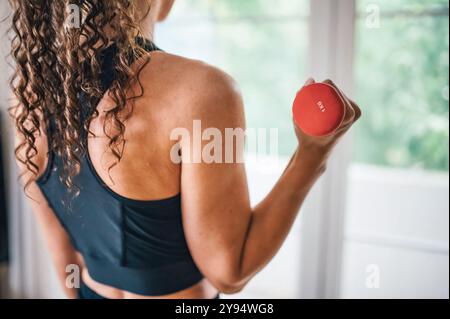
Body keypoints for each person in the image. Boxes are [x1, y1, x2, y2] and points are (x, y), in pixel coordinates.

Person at [9, 0, 361, 299]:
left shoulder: (30, 96)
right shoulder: (201, 91)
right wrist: (311, 156)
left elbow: (65, 261)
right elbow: (230, 270)